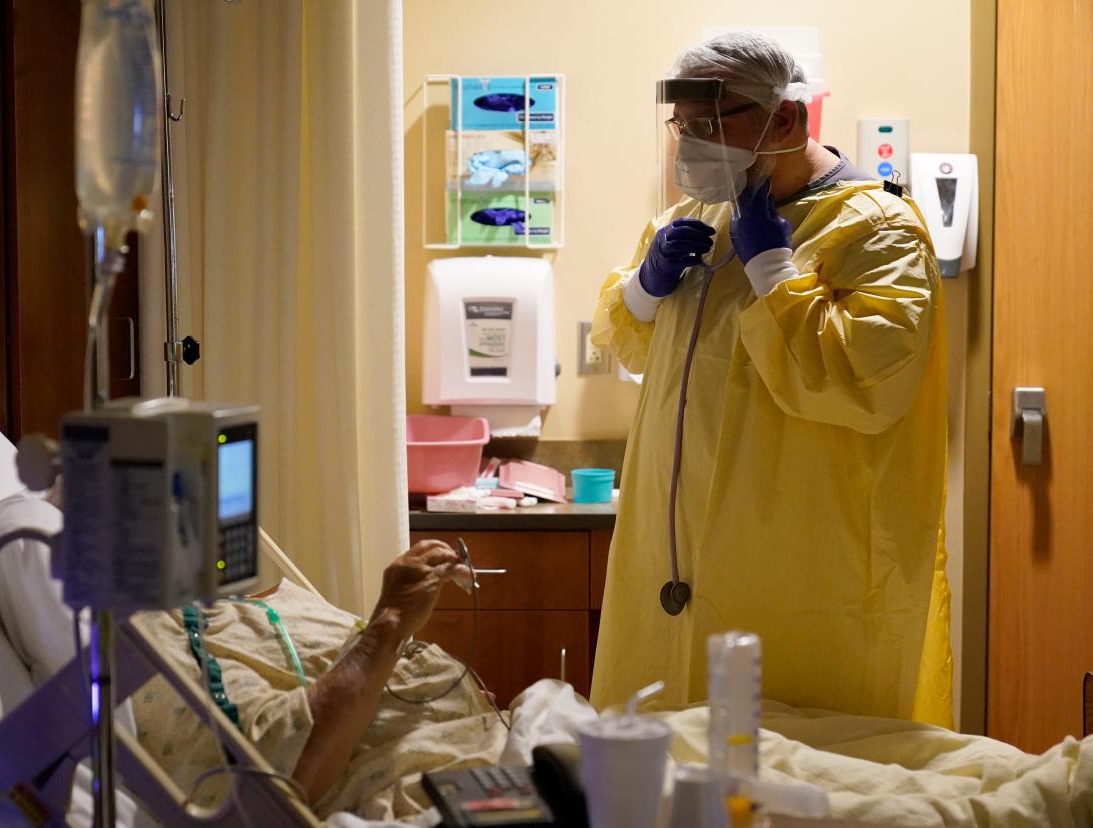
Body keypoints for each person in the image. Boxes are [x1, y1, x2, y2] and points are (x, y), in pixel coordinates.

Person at [590, 31, 953, 726]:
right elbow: (630, 344)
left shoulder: (878, 233)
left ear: (785, 119)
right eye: (681, 126)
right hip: (675, 554)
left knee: (803, 764)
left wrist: (773, 275)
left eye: (708, 126)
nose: (688, 146)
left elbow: (868, 386)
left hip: (807, 569)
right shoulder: (698, 216)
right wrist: (644, 286)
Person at [130, 539, 509, 821]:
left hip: (499, 739)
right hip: (446, 783)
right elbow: (278, 767)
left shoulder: (260, 604)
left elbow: (351, 678)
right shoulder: (152, 638)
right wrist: (391, 619)